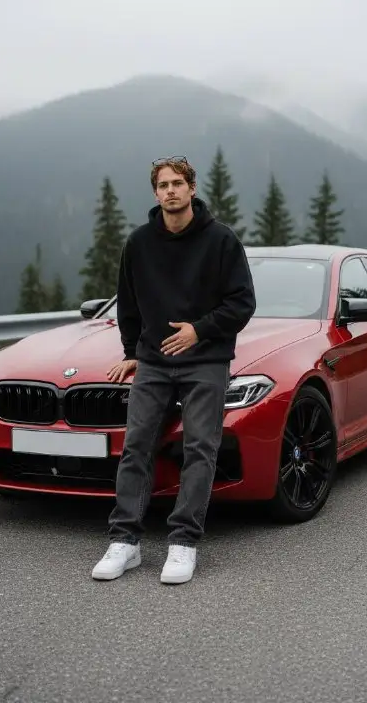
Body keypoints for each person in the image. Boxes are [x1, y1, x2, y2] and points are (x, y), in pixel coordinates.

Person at [91, 155, 256, 584]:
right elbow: (128, 304)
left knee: (199, 448)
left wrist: (199, 330)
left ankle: (183, 542)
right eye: (163, 185)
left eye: (177, 183)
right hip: (154, 362)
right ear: (155, 193)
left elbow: (242, 303)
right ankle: (125, 541)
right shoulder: (139, 243)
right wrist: (132, 351)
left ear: (191, 188)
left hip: (206, 360)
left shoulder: (221, 240)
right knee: (136, 446)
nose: (170, 191)